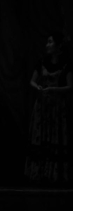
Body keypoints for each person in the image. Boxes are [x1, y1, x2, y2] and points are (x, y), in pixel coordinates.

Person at [25, 31, 72, 185]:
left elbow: (71, 87)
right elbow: (32, 81)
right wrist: (38, 87)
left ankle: (54, 175)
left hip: (57, 108)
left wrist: (53, 90)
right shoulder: (42, 62)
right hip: (42, 106)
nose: (47, 45)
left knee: (55, 138)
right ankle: (39, 174)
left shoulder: (67, 65)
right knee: (41, 138)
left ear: (58, 46)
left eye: (50, 42)